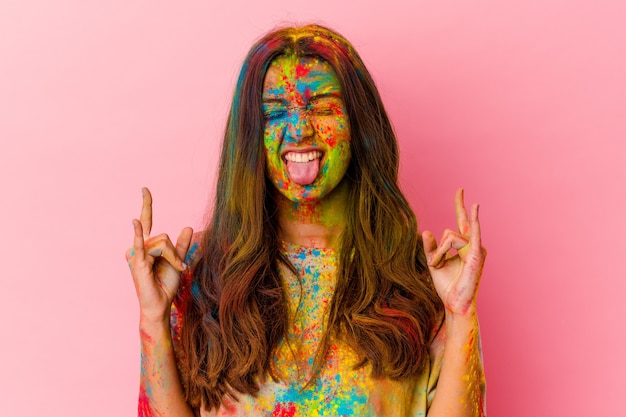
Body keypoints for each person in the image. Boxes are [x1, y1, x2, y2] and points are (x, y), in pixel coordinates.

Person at [127, 24, 487, 417]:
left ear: (358, 123)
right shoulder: (199, 269)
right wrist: (154, 317)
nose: (299, 129)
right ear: (251, 132)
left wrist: (461, 313)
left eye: (320, 106)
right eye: (276, 111)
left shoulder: (420, 274)